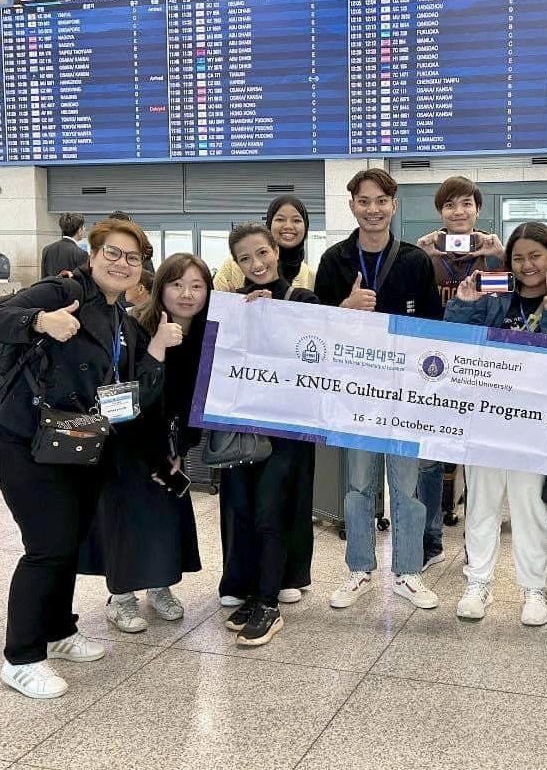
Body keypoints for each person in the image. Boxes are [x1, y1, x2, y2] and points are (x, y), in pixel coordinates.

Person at [0, 217, 179, 699]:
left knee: (69, 541)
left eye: (133, 257)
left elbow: (131, 398)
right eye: (113, 253)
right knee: (47, 546)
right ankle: (21, 657)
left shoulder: (122, 319)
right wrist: (39, 322)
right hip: (26, 441)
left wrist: (158, 348)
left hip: (79, 441)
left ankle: (58, 630)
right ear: (93, 255)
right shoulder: (61, 292)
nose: (122, 263)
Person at [445, 222, 547, 625]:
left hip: (536, 425)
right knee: (481, 505)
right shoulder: (495, 296)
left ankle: (534, 589)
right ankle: (478, 582)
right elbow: (458, 347)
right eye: (519, 258)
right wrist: (463, 306)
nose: (527, 265)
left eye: (536, 256)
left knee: (530, 509)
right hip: (486, 419)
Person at [315, 168, 443, 610]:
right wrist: (345, 308)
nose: (373, 209)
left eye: (381, 201)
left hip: (405, 394)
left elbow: (433, 328)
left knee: (406, 487)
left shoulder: (415, 261)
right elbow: (316, 328)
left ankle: (408, 571)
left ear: (394, 205)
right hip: (355, 393)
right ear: (352, 205)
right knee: (357, 486)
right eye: (364, 201)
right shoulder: (334, 260)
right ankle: (359, 569)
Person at [79, 254, 211, 633]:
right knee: (125, 518)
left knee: (165, 517)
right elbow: (129, 391)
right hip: (128, 442)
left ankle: (160, 585)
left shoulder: (207, 333)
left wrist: (179, 448)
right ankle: (120, 597)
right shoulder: (135, 325)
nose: (186, 294)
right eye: (177, 284)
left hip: (171, 443)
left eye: (197, 286)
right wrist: (158, 345)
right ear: (160, 287)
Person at [216, 195, 317, 610]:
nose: (256, 264)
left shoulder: (304, 299)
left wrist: (280, 319)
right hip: (242, 418)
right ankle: (237, 578)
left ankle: (287, 575)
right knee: (238, 500)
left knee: (282, 499)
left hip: (290, 421)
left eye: (261, 253)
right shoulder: (230, 304)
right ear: (236, 264)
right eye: (245, 258)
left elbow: (316, 355)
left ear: (276, 251)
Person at [415, 175, 505, 569]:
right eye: (450, 205)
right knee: (430, 461)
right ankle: (430, 541)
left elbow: (505, 306)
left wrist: (500, 256)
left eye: (466, 203)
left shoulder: (492, 254)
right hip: (434, 368)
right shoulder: (426, 254)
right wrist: (419, 258)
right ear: (440, 212)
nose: (459, 212)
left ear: (478, 210)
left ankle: (475, 547)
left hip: (479, 369)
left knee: (477, 464)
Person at [213, 195, 315, 293]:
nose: (288, 226)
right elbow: (213, 300)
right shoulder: (233, 266)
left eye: (296, 220)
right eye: (280, 219)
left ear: (305, 227)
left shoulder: (309, 276)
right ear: (269, 224)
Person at [40, 212, 88, 278]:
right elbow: (83, 280)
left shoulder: (47, 249)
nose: (85, 229)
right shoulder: (81, 254)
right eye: (84, 227)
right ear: (79, 230)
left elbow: (43, 278)